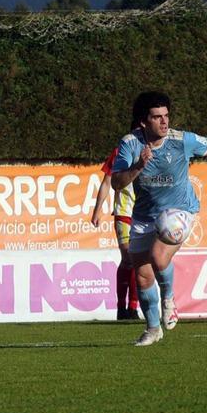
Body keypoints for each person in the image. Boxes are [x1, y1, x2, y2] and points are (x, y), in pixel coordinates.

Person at [111, 91, 207, 346]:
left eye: (166, 116)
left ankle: (169, 298)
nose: (165, 122)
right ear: (144, 122)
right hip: (144, 216)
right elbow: (116, 183)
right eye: (157, 117)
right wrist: (138, 167)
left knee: (159, 254)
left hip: (181, 210)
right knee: (142, 274)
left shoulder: (181, 140)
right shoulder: (130, 144)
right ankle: (153, 329)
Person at [91, 132, 140, 320]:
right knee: (128, 256)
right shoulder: (120, 151)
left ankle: (133, 307)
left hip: (144, 213)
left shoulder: (152, 151)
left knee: (138, 259)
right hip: (124, 212)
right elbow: (106, 182)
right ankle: (121, 307)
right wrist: (97, 209)